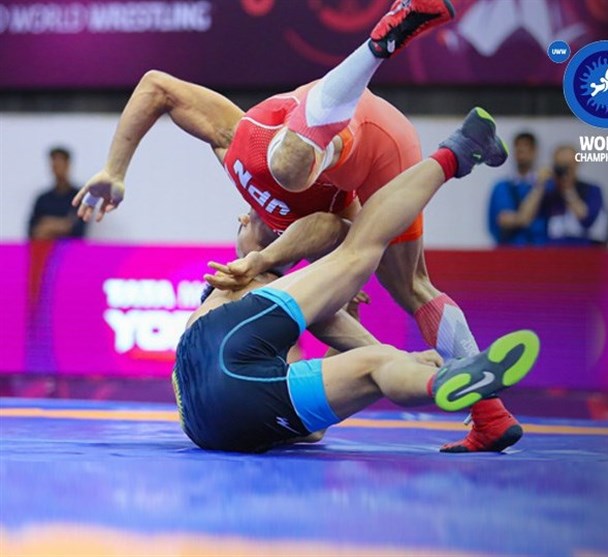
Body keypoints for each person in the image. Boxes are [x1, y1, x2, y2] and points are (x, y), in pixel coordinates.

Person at [73, 0, 522, 453]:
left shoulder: (240, 172)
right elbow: (341, 252)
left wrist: (115, 170)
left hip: (335, 123)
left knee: (288, 172)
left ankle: (378, 46)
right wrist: (397, 354)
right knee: (412, 291)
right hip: (243, 403)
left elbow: (156, 86)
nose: (243, 219)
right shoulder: (287, 273)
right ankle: (490, 414)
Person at [172, 109, 540, 453]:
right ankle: (455, 153)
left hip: (214, 425)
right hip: (239, 364)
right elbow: (333, 230)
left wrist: (405, 361)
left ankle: (441, 382)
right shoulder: (244, 277)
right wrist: (267, 259)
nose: (253, 219)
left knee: (377, 367)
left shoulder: (239, 303)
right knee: (360, 255)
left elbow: (313, 429)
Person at [515, 145, 608, 246]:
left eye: (569, 165)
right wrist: (539, 185)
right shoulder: (548, 191)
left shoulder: (592, 190)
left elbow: (587, 220)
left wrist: (568, 189)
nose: (565, 170)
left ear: (577, 164)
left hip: (584, 249)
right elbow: (525, 217)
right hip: (551, 249)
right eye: (560, 165)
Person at [487, 131, 544, 246]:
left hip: (541, 250)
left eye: (526, 148)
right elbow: (505, 220)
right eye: (518, 148)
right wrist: (539, 186)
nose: (521, 152)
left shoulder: (549, 186)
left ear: (534, 151)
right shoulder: (502, 187)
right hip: (510, 249)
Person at [28, 147, 87, 240]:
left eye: (60, 164)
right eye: (54, 165)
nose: (57, 168)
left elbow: (79, 229)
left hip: (71, 247)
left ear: (67, 165)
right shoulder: (42, 199)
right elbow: (32, 231)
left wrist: (49, 225)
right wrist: (62, 224)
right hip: (46, 247)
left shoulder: (79, 197)